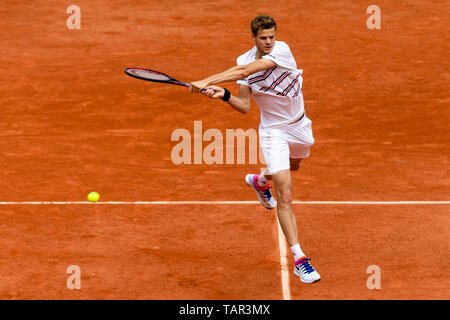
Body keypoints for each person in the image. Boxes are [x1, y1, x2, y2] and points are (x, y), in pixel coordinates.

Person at [190, 14, 320, 284]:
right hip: (273, 132)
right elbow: (245, 106)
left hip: (299, 125)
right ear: (254, 38)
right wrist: (223, 95)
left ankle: (260, 182)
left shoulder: (281, 50)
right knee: (285, 194)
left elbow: (244, 73)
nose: (269, 41)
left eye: (272, 36)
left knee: (294, 166)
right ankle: (300, 259)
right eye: (263, 38)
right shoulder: (244, 59)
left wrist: (206, 80)